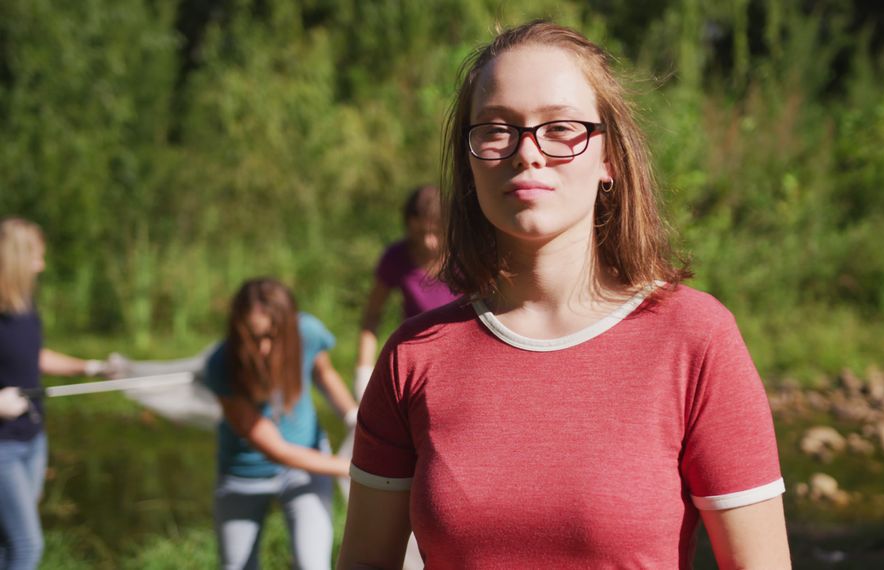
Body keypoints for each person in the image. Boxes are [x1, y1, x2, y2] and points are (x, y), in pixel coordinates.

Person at [338, 20, 789, 569]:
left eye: (560, 128)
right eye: (496, 128)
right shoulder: (413, 356)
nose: (527, 152)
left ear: (609, 159)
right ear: (469, 160)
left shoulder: (696, 340)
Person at [204, 278, 357, 570]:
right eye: (253, 337)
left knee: (312, 564)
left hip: (306, 469)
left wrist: (352, 416)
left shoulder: (307, 333)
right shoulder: (220, 365)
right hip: (242, 475)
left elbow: (323, 374)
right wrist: (355, 469)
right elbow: (277, 451)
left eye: (271, 337)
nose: (262, 349)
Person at [0, 217, 118, 570]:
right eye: (38, 256)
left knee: (8, 541)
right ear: (17, 258)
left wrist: (88, 367)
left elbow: (33, 357)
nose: (43, 265)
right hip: (2, 447)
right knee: (27, 545)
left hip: (32, 440)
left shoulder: (25, 308)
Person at [353, 185, 457, 399]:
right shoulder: (397, 258)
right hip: (417, 363)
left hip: (462, 362)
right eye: (421, 233)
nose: (430, 242)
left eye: (437, 233)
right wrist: (364, 370)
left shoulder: (465, 256)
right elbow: (372, 316)